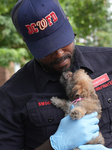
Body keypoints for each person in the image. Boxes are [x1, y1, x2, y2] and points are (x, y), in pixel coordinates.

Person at [0, 0, 112, 150]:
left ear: (68, 23)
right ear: (26, 42)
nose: (59, 54)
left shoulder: (108, 61)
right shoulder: (11, 95)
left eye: (61, 41)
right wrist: (53, 146)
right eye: (46, 48)